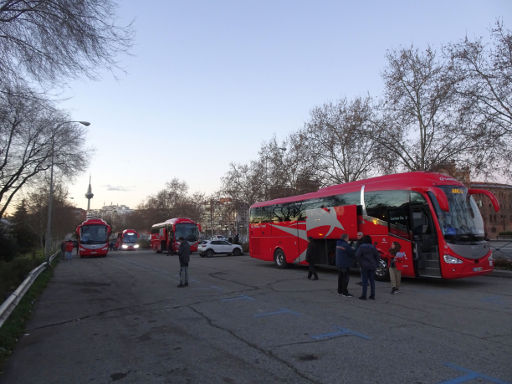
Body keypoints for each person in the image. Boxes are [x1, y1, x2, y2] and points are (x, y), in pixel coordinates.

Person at [355, 235, 380, 300]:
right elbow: (377, 256)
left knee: (364, 281)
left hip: (364, 266)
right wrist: (376, 264)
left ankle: (364, 295)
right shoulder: (373, 247)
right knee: (372, 281)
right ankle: (372, 295)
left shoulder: (361, 247)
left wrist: (360, 263)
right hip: (372, 266)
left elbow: (357, 255)